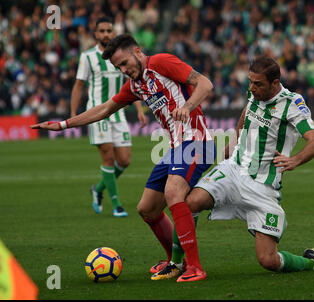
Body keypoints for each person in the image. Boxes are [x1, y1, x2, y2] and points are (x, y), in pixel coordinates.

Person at [31, 34, 216, 283]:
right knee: (147, 209)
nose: (123, 69)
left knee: (174, 193)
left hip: (197, 142)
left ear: (137, 52)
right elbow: (105, 109)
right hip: (176, 147)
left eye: (124, 63)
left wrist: (188, 106)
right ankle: (176, 262)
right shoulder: (135, 85)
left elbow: (205, 84)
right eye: (118, 67)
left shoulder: (161, 62)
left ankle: (195, 267)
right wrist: (65, 124)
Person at [182, 55, 314, 274]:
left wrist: (295, 160)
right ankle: (180, 263)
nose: (252, 88)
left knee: (269, 260)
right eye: (250, 82)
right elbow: (244, 119)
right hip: (234, 170)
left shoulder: (291, 103)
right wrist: (232, 147)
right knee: (190, 202)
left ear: (275, 83)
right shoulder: (254, 94)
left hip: (263, 187)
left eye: (258, 84)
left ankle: (311, 262)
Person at [71, 16, 147, 217]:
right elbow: (79, 85)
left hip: (118, 114)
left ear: (113, 33)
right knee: (108, 157)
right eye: (102, 31)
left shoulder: (120, 57)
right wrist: (73, 114)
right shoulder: (87, 57)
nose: (105, 34)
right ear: (95, 34)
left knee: (124, 160)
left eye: (109, 31)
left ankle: (98, 189)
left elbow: (130, 84)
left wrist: (139, 110)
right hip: (98, 114)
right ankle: (116, 205)